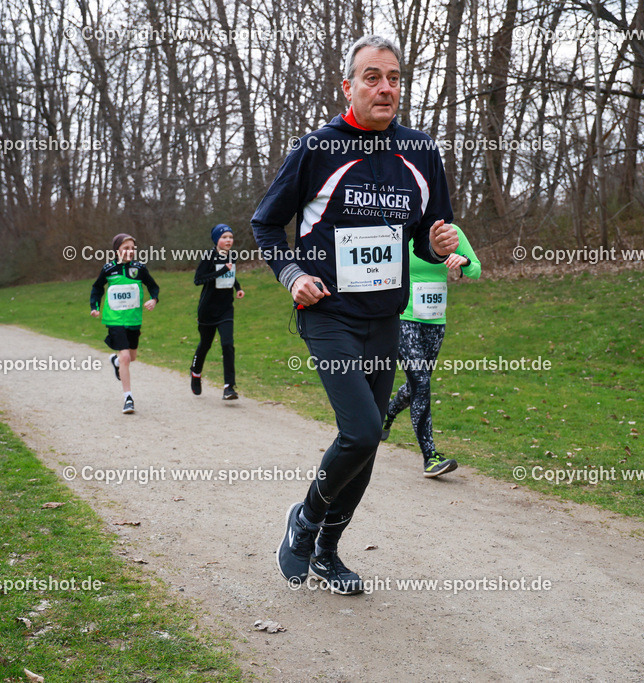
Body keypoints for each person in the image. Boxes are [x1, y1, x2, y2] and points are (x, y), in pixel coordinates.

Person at [253, 35, 458, 595]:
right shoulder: (317, 148)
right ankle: (305, 520)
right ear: (348, 86)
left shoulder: (421, 153)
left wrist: (440, 247)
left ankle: (328, 551)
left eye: (393, 77)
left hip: (386, 317)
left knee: (367, 446)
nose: (385, 87)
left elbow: (425, 237)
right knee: (363, 428)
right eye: (372, 77)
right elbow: (266, 224)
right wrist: (292, 276)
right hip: (328, 312)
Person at [381, 224, 481, 477]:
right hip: (404, 317)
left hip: (435, 322)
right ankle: (431, 457)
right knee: (421, 383)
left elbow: (476, 270)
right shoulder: (401, 231)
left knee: (417, 385)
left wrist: (464, 260)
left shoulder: (450, 232)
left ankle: (387, 414)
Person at [89, 233, 160, 414]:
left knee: (132, 357)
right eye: (126, 248)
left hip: (133, 319)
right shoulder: (108, 269)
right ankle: (128, 398)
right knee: (126, 357)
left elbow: (153, 286)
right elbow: (97, 288)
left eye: (132, 248)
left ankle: (116, 360)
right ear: (117, 250)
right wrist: (95, 306)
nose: (130, 252)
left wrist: (154, 299)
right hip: (114, 319)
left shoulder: (139, 268)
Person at [190, 224, 245, 400]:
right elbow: (198, 280)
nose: (228, 240)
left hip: (226, 309)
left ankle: (229, 387)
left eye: (230, 237)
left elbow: (231, 273)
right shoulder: (208, 257)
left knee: (227, 344)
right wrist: (221, 270)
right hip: (207, 309)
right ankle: (196, 373)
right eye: (224, 237)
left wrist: (238, 287)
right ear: (216, 240)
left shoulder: (232, 255)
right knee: (205, 345)